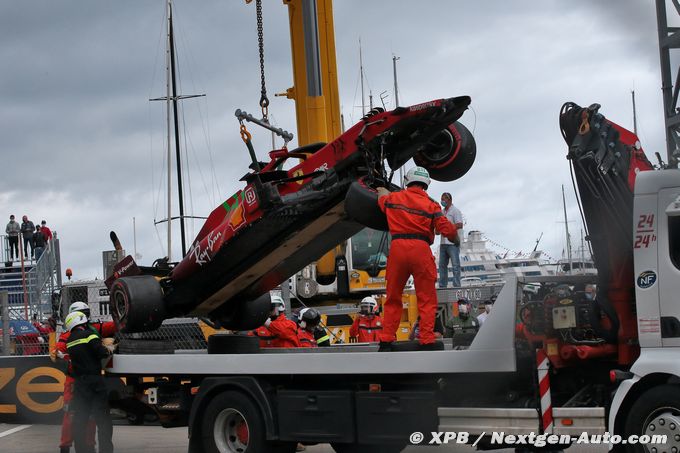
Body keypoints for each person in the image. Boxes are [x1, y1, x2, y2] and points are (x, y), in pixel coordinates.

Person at [376, 166, 459, 351]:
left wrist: (382, 192)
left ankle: (387, 339)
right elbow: (447, 230)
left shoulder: (394, 198)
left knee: (393, 297)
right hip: (421, 249)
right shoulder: (431, 205)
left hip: (397, 249)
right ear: (426, 184)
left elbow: (382, 202)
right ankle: (427, 340)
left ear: (407, 180)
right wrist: (455, 236)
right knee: (427, 299)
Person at [52, 302, 117, 453]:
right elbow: (57, 350)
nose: (87, 317)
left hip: (79, 381)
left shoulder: (79, 334)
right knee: (76, 415)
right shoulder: (87, 333)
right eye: (83, 314)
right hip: (78, 380)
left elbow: (112, 326)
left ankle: (86, 446)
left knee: (82, 417)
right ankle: (66, 445)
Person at [438, 192, 464, 288]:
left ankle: (456, 285)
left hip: (452, 242)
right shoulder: (441, 212)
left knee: (455, 265)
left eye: (444, 199)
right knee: (442, 266)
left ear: (449, 200)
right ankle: (442, 285)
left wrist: (448, 228)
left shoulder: (455, 211)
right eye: (441, 199)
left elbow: (460, 224)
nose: (442, 201)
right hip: (443, 243)